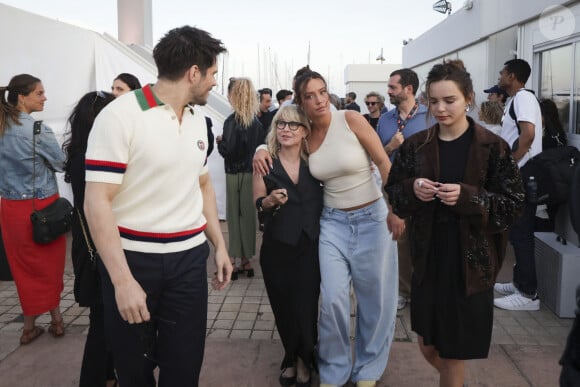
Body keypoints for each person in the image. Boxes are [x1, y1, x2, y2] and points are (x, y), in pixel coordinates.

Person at [84, 26, 232, 387]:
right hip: (134, 261)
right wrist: (122, 282)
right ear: (193, 72)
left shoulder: (199, 120)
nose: (214, 82)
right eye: (212, 73)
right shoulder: (120, 116)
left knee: (184, 368)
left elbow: (203, 185)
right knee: (134, 371)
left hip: (189, 260)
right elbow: (96, 202)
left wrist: (220, 245)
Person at [255, 71, 401, 387]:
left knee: (375, 299)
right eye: (310, 95)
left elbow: (385, 164)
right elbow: (279, 140)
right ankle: (334, 369)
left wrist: (396, 210)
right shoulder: (305, 135)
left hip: (372, 218)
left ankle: (368, 369)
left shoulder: (351, 119)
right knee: (333, 298)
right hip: (332, 223)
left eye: (323, 92)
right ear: (300, 101)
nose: (320, 100)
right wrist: (259, 149)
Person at [385, 59, 524, 387]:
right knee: (427, 343)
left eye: (450, 100)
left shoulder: (493, 148)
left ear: (469, 99)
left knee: (454, 351)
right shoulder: (416, 146)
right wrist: (413, 188)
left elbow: (513, 205)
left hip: (471, 266)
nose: (441, 108)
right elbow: (394, 192)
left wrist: (469, 197)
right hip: (428, 259)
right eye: (434, 101)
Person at [253, 105, 323, 387]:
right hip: (277, 248)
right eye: (281, 124)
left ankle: (306, 359)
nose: (286, 129)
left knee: (306, 306)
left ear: (305, 131)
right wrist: (269, 202)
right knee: (283, 307)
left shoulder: (316, 162)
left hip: (311, 246)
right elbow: (257, 203)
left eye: (294, 125)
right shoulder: (264, 162)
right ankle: (291, 357)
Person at [0, 74, 67, 345]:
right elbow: (62, 163)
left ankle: (29, 327)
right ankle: (57, 320)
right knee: (50, 266)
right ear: (22, 97)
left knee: (23, 268)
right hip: (42, 206)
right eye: (39, 93)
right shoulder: (37, 130)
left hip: (10, 208)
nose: (44, 98)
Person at [63, 90, 118, 387]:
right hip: (102, 245)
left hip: (91, 245)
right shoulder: (93, 159)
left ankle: (107, 375)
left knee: (105, 318)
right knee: (103, 321)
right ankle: (97, 378)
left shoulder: (80, 153)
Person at [376, 68, 434, 311]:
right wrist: (390, 146)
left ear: (408, 89)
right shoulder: (385, 120)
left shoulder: (429, 117)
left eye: (392, 87)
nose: (388, 92)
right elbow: (376, 156)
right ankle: (402, 291)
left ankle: (424, 291)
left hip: (425, 188)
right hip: (394, 188)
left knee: (424, 240)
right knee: (398, 241)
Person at [493, 58, 543, 312]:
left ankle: (528, 294)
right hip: (519, 173)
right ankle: (519, 282)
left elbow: (528, 135)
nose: (500, 76)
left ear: (512, 76)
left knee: (522, 234)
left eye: (502, 72)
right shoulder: (515, 100)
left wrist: (511, 165)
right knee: (517, 232)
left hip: (523, 173)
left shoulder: (523, 98)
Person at [217, 77, 265, 280]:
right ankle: (247, 260)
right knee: (248, 218)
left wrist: (220, 142)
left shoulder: (231, 121)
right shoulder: (256, 122)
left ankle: (234, 260)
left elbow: (229, 151)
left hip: (233, 174)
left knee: (234, 217)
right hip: (251, 173)